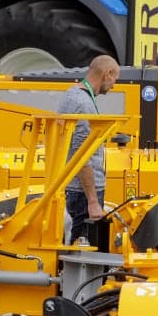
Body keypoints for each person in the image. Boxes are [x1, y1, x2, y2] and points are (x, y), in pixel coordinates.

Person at [59, 54, 120, 245]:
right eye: (115, 79)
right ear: (107, 74)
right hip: (82, 194)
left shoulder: (71, 95)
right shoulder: (84, 104)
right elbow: (82, 155)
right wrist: (93, 201)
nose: (114, 86)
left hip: (73, 188)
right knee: (83, 250)